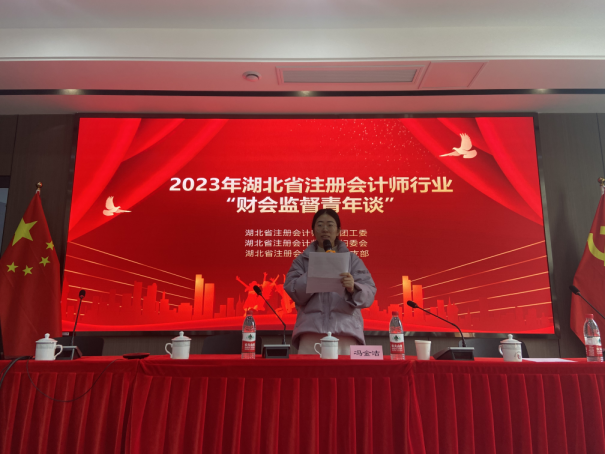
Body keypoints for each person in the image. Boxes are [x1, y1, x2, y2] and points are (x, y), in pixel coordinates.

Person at [284, 209, 377, 355]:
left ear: (338, 230)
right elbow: (293, 290)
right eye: (320, 225)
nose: (325, 229)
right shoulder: (301, 261)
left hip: (346, 333)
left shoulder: (352, 260)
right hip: (311, 334)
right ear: (313, 231)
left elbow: (370, 292)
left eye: (330, 225)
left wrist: (353, 288)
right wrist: (314, 273)